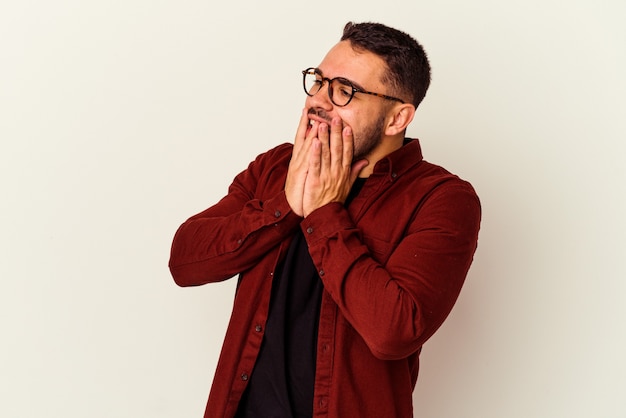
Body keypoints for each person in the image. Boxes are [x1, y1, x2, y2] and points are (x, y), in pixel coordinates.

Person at [169, 21, 481, 418]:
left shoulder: (442, 199)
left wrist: (323, 212)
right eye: (318, 81)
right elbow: (185, 261)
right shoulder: (277, 166)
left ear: (397, 119)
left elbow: (393, 332)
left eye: (344, 91)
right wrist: (285, 206)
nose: (318, 99)